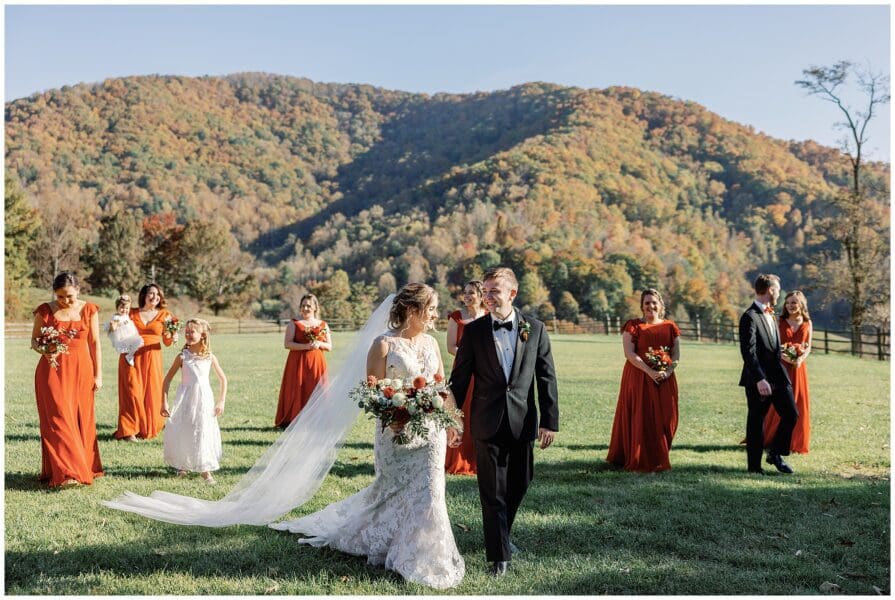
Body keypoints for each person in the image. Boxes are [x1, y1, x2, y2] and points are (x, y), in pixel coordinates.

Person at [104, 285, 466, 589]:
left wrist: (452, 421)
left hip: (429, 432)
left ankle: (424, 553)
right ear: (412, 309)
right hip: (394, 431)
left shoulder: (432, 346)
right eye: (430, 309)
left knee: (432, 491)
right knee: (391, 490)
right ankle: (386, 538)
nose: (435, 315)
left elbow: (440, 385)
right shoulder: (383, 345)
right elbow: (372, 393)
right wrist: (394, 416)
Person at [449, 267, 559, 577]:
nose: (487, 296)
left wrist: (549, 421)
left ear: (512, 293)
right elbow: (459, 380)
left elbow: (546, 376)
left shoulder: (534, 329)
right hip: (486, 422)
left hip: (523, 421)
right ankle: (498, 557)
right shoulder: (473, 332)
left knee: (520, 483)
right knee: (492, 491)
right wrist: (451, 418)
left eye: (494, 290)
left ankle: (503, 536)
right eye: (485, 291)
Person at [31, 272, 104, 487]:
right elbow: (34, 341)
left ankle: (83, 465)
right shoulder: (45, 311)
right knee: (58, 419)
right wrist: (45, 350)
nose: (65, 301)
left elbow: (95, 343)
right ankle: (67, 472)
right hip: (52, 372)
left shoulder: (89, 309)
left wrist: (98, 375)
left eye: (69, 296)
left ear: (78, 290)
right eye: (60, 296)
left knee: (81, 419)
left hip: (82, 371)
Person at [606, 289, 681, 473]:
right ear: (641, 306)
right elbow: (629, 353)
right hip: (639, 377)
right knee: (642, 417)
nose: (650, 306)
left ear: (661, 305)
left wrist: (667, 371)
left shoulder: (671, 327)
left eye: (654, 302)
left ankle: (659, 454)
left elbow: (676, 355)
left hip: (665, 380)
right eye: (646, 303)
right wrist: (650, 371)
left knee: (667, 418)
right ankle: (638, 456)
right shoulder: (633, 325)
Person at [739, 274, 798, 474]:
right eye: (778, 290)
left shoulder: (772, 315)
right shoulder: (749, 316)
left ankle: (775, 453)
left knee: (791, 414)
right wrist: (760, 379)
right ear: (771, 290)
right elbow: (748, 352)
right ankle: (754, 468)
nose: (779, 293)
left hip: (778, 375)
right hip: (758, 379)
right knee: (756, 421)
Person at [161, 319, 228, 485]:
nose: (188, 334)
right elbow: (167, 380)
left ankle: (206, 470)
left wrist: (221, 401)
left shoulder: (209, 357)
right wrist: (164, 402)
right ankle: (183, 465)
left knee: (203, 429)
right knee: (184, 428)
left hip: (204, 399)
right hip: (185, 398)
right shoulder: (182, 357)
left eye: (193, 332)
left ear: (202, 335)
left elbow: (223, 379)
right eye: (187, 332)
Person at [115, 283, 176, 441]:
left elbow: (167, 341)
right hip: (131, 356)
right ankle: (129, 431)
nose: (154, 297)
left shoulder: (165, 315)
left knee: (151, 392)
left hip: (152, 358)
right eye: (151, 293)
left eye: (158, 294)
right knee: (131, 392)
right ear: (144, 295)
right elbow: (118, 327)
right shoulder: (132, 312)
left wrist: (173, 336)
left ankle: (147, 426)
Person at [444, 279, 487, 475]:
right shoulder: (456, 317)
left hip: (483, 372)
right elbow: (451, 347)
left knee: (479, 411)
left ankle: (478, 458)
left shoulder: (488, 316)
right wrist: (471, 355)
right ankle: (457, 456)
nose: (467, 296)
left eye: (472, 292)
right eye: (465, 292)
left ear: (481, 296)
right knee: (459, 410)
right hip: (462, 371)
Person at [763, 291, 812, 453]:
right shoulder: (779, 321)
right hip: (781, 366)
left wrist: (799, 359)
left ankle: (796, 442)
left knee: (799, 403)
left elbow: (808, 346)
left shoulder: (807, 322)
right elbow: (774, 345)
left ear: (801, 305)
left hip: (799, 368)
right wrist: (787, 357)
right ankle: (772, 437)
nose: (790, 306)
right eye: (788, 302)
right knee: (780, 403)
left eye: (794, 303)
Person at [275, 294, 331, 428]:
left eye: (308, 306)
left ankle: (318, 419)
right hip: (298, 363)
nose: (305, 308)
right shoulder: (294, 324)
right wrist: (306, 346)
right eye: (303, 306)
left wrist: (318, 343)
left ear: (315, 307)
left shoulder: (323, 325)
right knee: (298, 388)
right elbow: (287, 344)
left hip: (317, 363)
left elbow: (329, 346)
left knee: (317, 389)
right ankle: (294, 418)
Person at [107, 294, 144, 367]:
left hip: (129, 336)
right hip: (123, 338)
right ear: (117, 307)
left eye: (127, 308)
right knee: (138, 341)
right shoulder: (117, 317)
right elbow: (114, 326)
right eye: (122, 308)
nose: (124, 310)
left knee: (139, 342)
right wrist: (113, 327)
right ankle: (129, 356)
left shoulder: (126, 316)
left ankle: (130, 354)